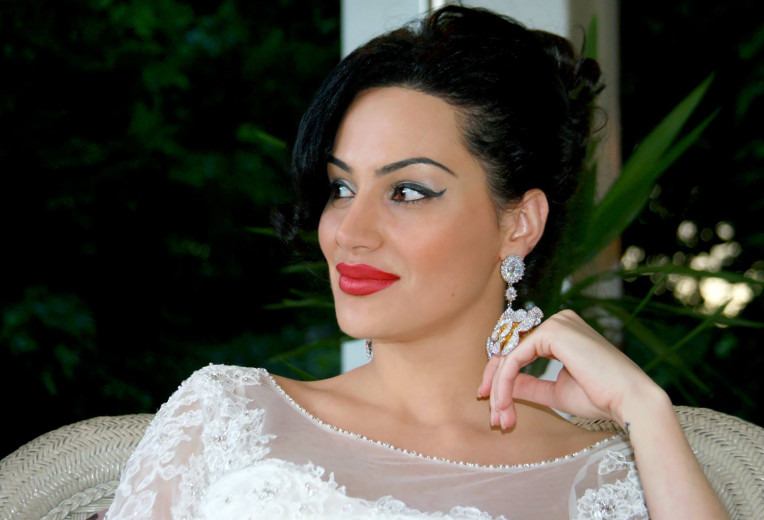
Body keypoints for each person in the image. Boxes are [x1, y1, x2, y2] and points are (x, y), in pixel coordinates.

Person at [104, 5, 729, 519]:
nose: (350, 232)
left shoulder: (615, 481)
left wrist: (645, 409)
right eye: (341, 187)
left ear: (519, 224)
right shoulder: (225, 418)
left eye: (406, 191)